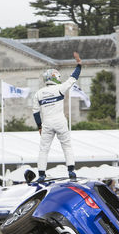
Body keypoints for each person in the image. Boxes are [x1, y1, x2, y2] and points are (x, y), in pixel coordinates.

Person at [33, 52, 82, 182]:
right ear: (54, 78)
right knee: (66, 146)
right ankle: (71, 171)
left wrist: (39, 126)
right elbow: (73, 79)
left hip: (47, 123)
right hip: (60, 121)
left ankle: (41, 174)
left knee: (44, 149)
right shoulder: (59, 88)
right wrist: (79, 65)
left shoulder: (38, 93)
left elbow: (35, 112)